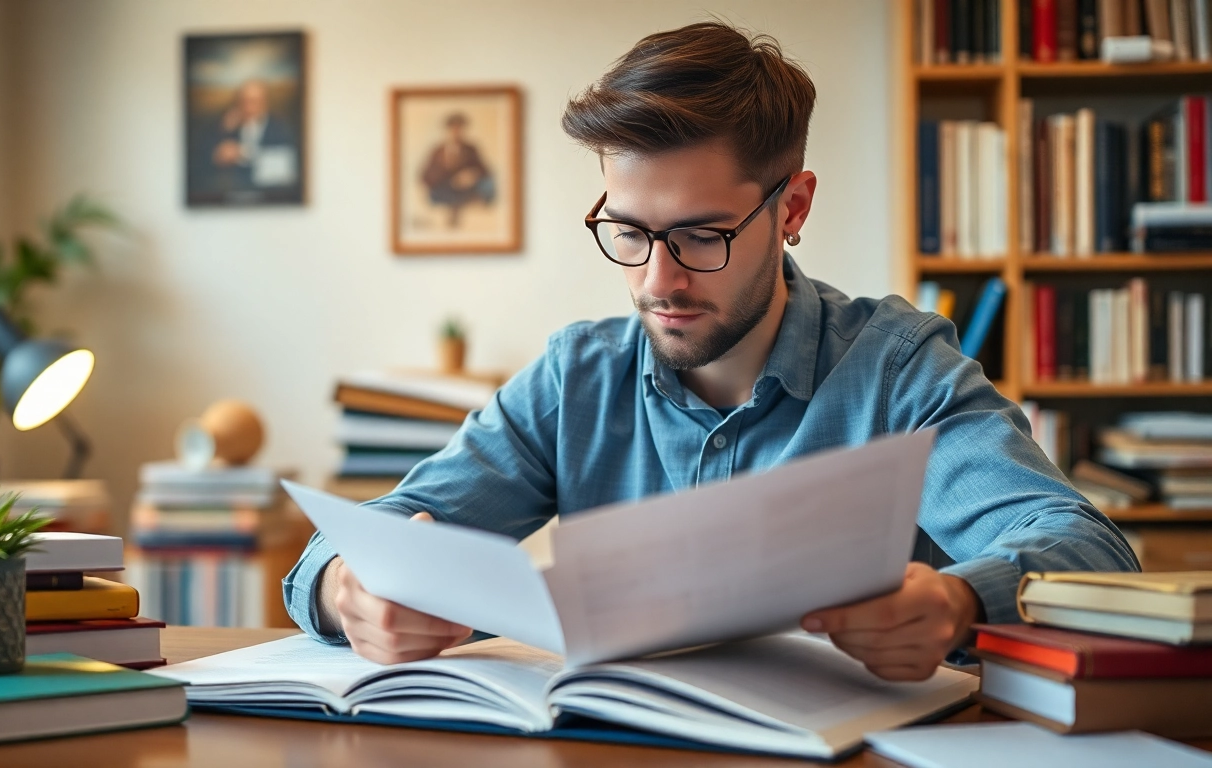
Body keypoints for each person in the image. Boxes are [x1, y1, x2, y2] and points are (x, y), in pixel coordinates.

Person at [284, 22, 1138, 682]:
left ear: (792, 207)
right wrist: (348, 592)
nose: (659, 280)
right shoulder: (574, 379)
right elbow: (368, 540)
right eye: (627, 231)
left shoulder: (898, 370)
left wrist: (957, 602)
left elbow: (1090, 551)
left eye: (701, 234)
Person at [209, 79, 297, 190]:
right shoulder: (227, 127)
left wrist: (242, 153)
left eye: (253, 101)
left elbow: (283, 170)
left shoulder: (279, 128)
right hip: (235, 195)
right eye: (243, 101)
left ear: (265, 103)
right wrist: (224, 131)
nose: (247, 107)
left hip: (271, 196)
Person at [419, 112, 496, 227]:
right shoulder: (438, 151)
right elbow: (425, 175)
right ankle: (452, 212)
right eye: (453, 128)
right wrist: (445, 175)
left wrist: (472, 174)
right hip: (444, 189)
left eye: (459, 129)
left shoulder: (471, 149)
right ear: (447, 130)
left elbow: (485, 171)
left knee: (485, 189)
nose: (456, 132)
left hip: (467, 190)